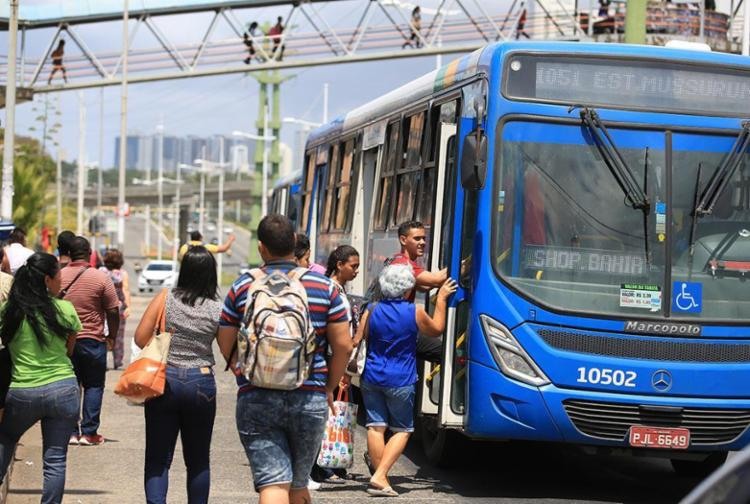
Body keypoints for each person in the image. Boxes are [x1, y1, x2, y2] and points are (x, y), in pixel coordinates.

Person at [218, 214, 352, 504]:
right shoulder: (325, 288)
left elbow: (225, 339)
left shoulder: (243, 286)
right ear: (294, 243)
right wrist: (327, 387)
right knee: (298, 484)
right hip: (310, 396)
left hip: (257, 395)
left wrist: (242, 372)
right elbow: (343, 345)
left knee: (274, 484)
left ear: (261, 248)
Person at [354, 264, 456, 497]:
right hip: (401, 378)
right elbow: (436, 330)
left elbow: (361, 338)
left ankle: (380, 477)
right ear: (408, 286)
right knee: (402, 429)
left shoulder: (371, 308)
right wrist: (440, 299)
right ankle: (380, 476)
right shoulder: (415, 311)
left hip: (371, 375)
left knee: (375, 426)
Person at [135, 246, 222, 504]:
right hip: (202, 382)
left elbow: (140, 338)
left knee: (158, 460)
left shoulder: (165, 298)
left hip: (165, 381)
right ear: (211, 275)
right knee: (198, 461)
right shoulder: (217, 309)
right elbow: (230, 350)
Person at [0, 253, 82, 503]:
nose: (61, 282)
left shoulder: (10, 311)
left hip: (22, 390)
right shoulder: (65, 309)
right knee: (55, 459)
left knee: (6, 439)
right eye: (59, 276)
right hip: (63, 389)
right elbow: (69, 351)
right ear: (48, 279)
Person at [310, 245, 361, 487]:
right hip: (333, 360)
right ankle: (322, 466)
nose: (356, 271)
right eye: (353, 266)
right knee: (328, 414)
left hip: (337, 360)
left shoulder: (337, 289)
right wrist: (340, 369)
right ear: (339, 264)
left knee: (334, 413)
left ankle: (333, 465)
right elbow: (334, 335)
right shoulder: (332, 291)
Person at [62, 237, 120, 446]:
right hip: (94, 340)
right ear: (89, 252)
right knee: (94, 386)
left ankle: (69, 432)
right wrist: (112, 336)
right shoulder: (101, 278)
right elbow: (113, 310)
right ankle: (88, 433)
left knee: (70, 386)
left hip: (65, 343)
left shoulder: (58, 276)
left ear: (69, 252)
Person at [101, 249, 131, 370]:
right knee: (119, 334)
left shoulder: (101, 271)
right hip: (118, 306)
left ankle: (102, 358)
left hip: (103, 305)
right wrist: (128, 306)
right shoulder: (122, 273)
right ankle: (117, 360)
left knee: (102, 332)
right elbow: (126, 290)